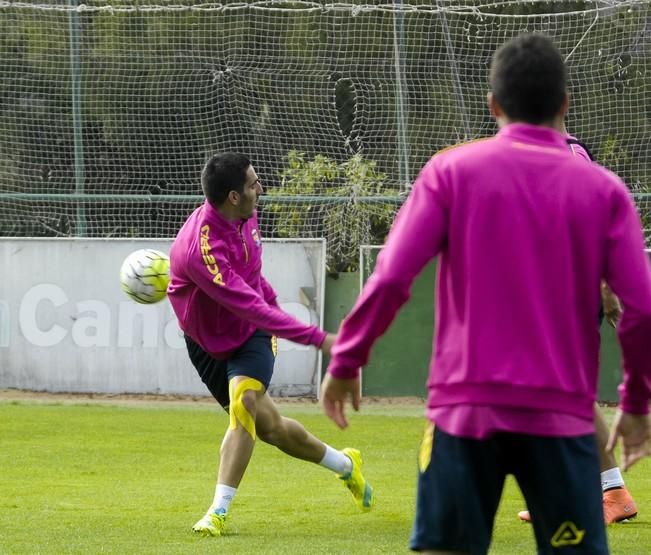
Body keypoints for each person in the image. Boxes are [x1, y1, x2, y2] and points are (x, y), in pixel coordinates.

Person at [321, 34, 651, 555]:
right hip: (562, 423)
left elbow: (391, 277)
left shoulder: (450, 172)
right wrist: (636, 401)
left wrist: (346, 360)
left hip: (463, 417)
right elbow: (642, 309)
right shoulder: (605, 190)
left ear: (493, 104)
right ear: (565, 103)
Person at [167, 152, 374, 537]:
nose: (260, 188)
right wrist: (325, 341)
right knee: (272, 429)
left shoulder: (246, 216)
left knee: (243, 402)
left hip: (251, 334)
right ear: (232, 196)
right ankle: (345, 465)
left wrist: (275, 307)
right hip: (207, 344)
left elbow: (255, 286)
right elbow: (248, 303)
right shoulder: (203, 248)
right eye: (253, 184)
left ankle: (218, 512)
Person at [517, 132, 637, 525]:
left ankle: (612, 492)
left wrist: (604, 286)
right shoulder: (532, 152)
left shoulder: (567, 152)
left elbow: (593, 219)